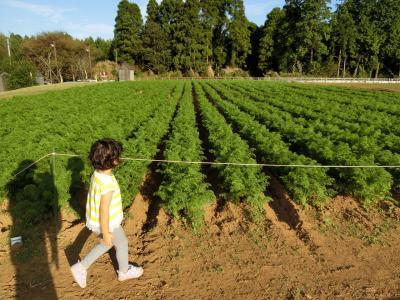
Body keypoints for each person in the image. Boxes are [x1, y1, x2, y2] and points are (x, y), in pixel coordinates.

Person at [70, 138, 143, 288]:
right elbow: (104, 210)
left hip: (98, 219)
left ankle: (123, 271)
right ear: (114, 161)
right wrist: (105, 232)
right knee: (107, 243)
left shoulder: (97, 173)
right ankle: (81, 267)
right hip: (106, 222)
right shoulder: (107, 185)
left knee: (120, 242)